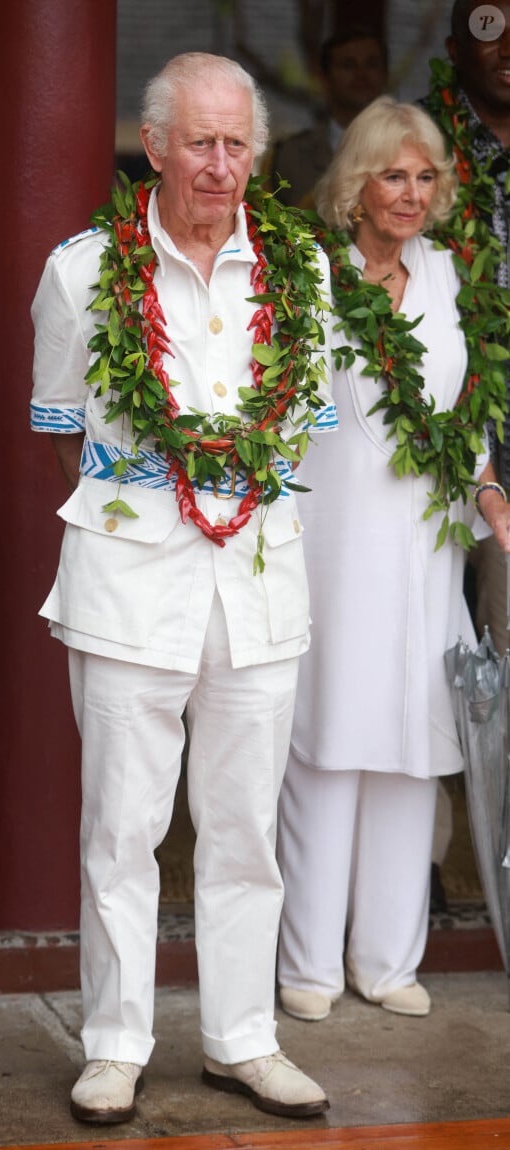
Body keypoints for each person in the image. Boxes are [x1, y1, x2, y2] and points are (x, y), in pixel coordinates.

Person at [30, 52, 336, 1125]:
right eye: (198, 142)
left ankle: (241, 1038)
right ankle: (114, 1042)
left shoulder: (303, 272)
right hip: (124, 585)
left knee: (246, 825)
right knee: (119, 827)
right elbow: (60, 431)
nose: (220, 165)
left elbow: (309, 430)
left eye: (236, 144)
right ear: (152, 145)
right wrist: (161, 506)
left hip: (258, 584)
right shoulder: (80, 271)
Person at [276, 95, 510, 1025]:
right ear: (354, 182)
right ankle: (307, 966)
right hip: (329, 536)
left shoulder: (455, 277)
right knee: (327, 744)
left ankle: (387, 958)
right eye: (391, 175)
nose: (410, 194)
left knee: (413, 749)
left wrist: (490, 492)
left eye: (425, 178)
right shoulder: (308, 276)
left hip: (425, 541)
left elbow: (469, 422)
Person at [423, 0, 510, 661]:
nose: (509, 47)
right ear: (455, 49)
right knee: (469, 646)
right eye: (490, 30)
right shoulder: (418, 150)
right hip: (450, 430)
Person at [268, 28, 388, 207]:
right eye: (348, 65)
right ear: (324, 77)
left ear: (385, 74)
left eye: (371, 64)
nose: (361, 74)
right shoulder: (291, 154)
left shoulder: (410, 147)